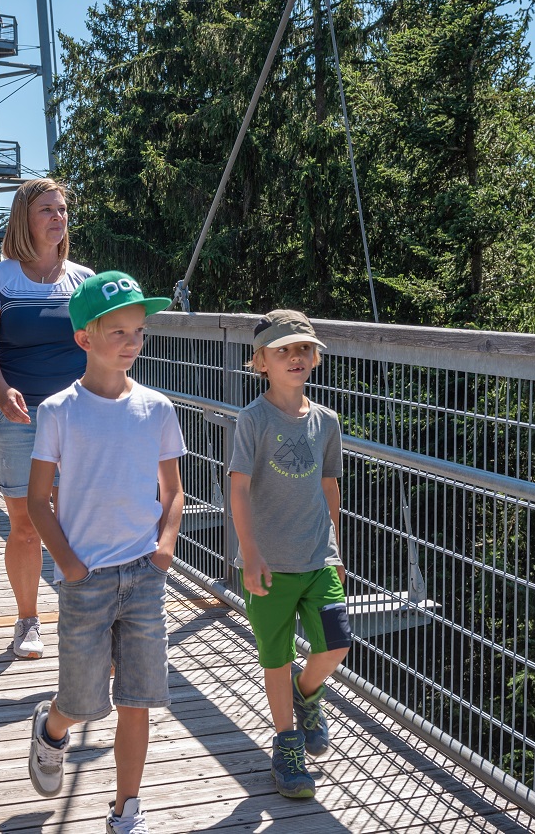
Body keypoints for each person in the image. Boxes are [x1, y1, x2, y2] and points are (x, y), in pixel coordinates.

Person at [26, 272, 185, 833]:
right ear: (84, 339)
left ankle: (126, 811)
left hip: (144, 575)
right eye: (117, 331)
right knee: (83, 698)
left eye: (138, 332)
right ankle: (52, 728)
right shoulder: (58, 412)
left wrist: (164, 548)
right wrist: (70, 565)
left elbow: (174, 492)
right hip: (86, 579)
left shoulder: (158, 408)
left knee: (137, 699)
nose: (131, 343)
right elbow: (38, 501)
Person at [228, 309, 351, 800]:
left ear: (315, 357)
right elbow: (237, 490)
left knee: (337, 643)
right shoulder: (252, 420)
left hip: (317, 557)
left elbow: (329, 486)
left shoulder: (327, 421)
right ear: (261, 362)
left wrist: (336, 546)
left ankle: (308, 695)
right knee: (276, 658)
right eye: (283, 351)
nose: (295, 357)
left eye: (303, 348)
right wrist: (250, 553)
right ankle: (287, 745)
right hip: (268, 564)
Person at [0, 179, 92, 659]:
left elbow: (104, 344)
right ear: (26, 217)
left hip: (78, 418)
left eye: (62, 209)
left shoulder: (84, 280)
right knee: (24, 523)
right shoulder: (0, 278)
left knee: (73, 521)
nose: (58, 218)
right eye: (47, 209)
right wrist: (2, 393)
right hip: (15, 418)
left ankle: (82, 617)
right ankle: (27, 621)